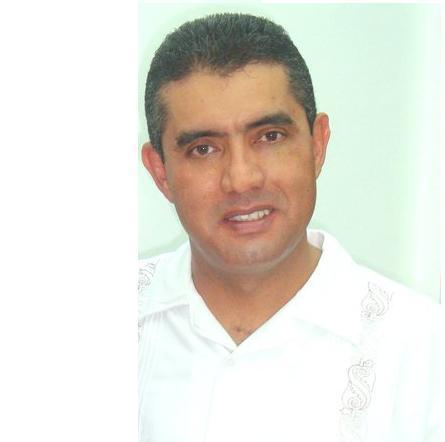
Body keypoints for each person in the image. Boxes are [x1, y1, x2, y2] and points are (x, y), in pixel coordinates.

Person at [138, 13, 440, 442]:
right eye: (204, 149)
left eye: (270, 137)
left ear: (317, 144)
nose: (242, 179)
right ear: (160, 172)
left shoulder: (426, 355)